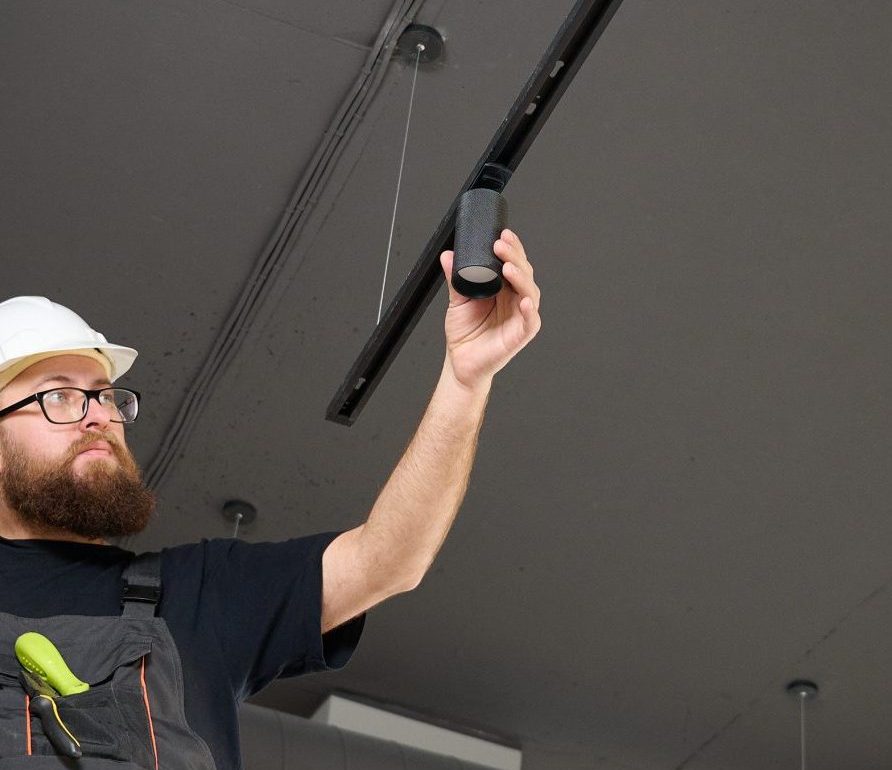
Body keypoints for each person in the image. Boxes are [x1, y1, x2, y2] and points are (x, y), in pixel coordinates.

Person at [0, 235, 541, 770]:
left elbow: (388, 559)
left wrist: (465, 381)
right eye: (60, 396)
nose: (99, 415)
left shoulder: (201, 592)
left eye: (104, 396)